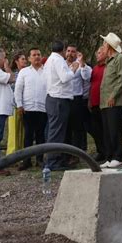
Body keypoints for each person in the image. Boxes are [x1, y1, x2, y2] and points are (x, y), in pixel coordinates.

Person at [44, 40, 77, 171]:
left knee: (56, 130)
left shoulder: (50, 60)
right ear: (63, 49)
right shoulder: (57, 60)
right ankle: (53, 161)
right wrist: (73, 69)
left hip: (53, 98)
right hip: (58, 99)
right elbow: (64, 77)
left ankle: (57, 159)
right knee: (56, 132)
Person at [14, 48, 47, 170]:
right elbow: (18, 89)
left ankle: (39, 159)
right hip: (27, 108)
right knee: (28, 135)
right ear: (29, 58)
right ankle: (26, 160)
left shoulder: (47, 71)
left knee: (40, 135)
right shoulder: (24, 72)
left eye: (39, 54)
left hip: (43, 108)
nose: (37, 57)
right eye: (34, 55)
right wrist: (19, 104)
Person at [99, 32, 122, 168]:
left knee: (115, 129)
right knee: (107, 130)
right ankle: (109, 157)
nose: (103, 46)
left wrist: (113, 95)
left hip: (115, 101)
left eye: (104, 43)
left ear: (109, 46)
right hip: (105, 102)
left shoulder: (119, 58)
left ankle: (119, 155)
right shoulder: (108, 61)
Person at [65, 44, 92, 161]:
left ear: (76, 53)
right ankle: (66, 153)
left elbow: (87, 77)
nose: (70, 53)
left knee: (77, 128)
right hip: (64, 98)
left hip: (76, 99)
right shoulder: (60, 64)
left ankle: (76, 154)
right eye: (69, 51)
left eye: (73, 52)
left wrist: (82, 64)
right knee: (66, 128)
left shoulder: (80, 65)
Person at [88, 46, 107, 162]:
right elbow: (91, 85)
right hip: (94, 102)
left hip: (104, 102)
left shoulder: (108, 67)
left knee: (105, 128)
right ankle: (100, 151)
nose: (98, 55)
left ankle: (108, 150)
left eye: (100, 53)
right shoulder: (94, 68)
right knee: (96, 129)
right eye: (97, 53)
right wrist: (89, 100)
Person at [6, 52, 27, 155]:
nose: (25, 61)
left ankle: (22, 153)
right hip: (14, 106)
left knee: (23, 132)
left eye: (25, 59)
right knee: (14, 131)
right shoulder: (14, 74)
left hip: (26, 106)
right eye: (22, 59)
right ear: (16, 61)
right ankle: (12, 154)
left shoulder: (28, 72)